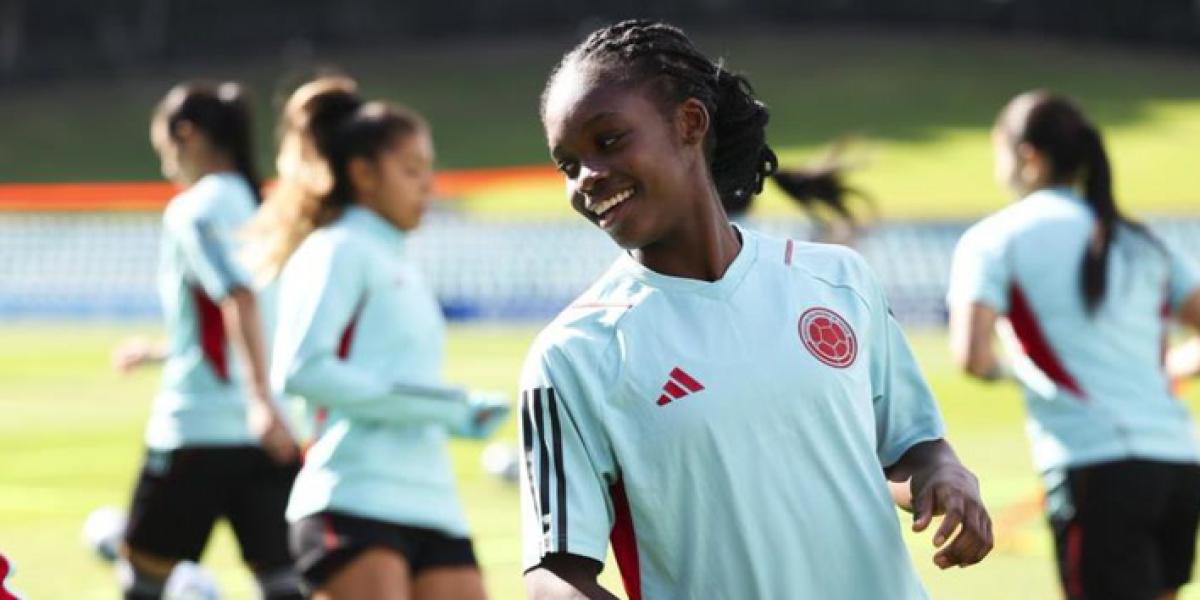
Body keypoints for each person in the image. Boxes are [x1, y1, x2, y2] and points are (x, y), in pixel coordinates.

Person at [520, 19, 993, 599]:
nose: (586, 178)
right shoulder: (575, 352)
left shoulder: (837, 281)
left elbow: (910, 447)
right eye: (568, 165)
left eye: (609, 141)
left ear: (690, 123)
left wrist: (943, 474)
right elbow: (554, 575)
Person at [255, 76, 508, 599]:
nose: (427, 184)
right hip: (353, 495)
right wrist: (444, 407)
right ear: (364, 174)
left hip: (432, 503)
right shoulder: (337, 249)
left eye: (428, 169)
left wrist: (453, 414)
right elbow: (302, 369)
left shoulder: (398, 260)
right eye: (411, 170)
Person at [948, 90, 1200, 600]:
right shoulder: (1138, 238)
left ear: (1027, 156)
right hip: (1177, 461)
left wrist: (1014, 370)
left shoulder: (995, 239)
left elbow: (972, 358)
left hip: (1096, 464)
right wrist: (1174, 365)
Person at [111, 81, 303, 600]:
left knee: (141, 578)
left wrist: (256, 398)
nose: (163, 162)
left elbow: (236, 298)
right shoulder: (262, 206)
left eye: (163, 147)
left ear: (186, 135)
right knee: (283, 580)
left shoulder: (192, 209)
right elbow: (244, 318)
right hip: (273, 430)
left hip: (199, 428)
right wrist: (162, 351)